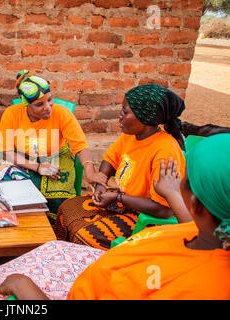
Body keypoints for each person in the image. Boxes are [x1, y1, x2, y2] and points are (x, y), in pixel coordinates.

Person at [0, 134, 230, 300]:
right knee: (53, 245)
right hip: (98, 271)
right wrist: (172, 193)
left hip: (79, 291)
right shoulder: (207, 234)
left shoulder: (197, 288)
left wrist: (26, 288)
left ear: (197, 203)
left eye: (183, 178)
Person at [54, 84, 188, 250]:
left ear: (143, 118)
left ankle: (95, 269)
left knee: (84, 235)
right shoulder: (131, 136)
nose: (119, 115)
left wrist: (117, 198)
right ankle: (64, 258)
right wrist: (101, 185)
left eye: (125, 111)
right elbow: (110, 160)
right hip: (127, 203)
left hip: (147, 218)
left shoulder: (165, 151)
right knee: (67, 208)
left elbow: (164, 210)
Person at [0, 70, 95, 223]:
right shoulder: (11, 114)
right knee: (8, 190)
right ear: (26, 105)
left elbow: (80, 146)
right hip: (24, 160)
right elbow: (6, 153)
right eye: (39, 104)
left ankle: (56, 230)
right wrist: (38, 167)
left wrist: (90, 172)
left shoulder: (62, 113)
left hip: (58, 157)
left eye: (50, 99)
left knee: (59, 200)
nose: (48, 107)